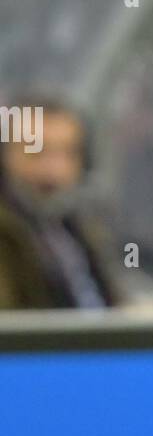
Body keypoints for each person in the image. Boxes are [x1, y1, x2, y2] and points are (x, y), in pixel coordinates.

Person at [0, 95, 123, 310]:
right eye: (36, 152)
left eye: (69, 153)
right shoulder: (8, 235)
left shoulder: (75, 226)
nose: (55, 172)